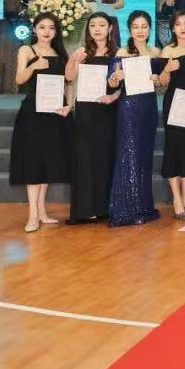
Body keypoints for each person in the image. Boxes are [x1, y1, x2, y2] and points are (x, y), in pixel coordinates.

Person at [9, 12, 72, 232]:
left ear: (56, 31)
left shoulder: (60, 52)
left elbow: (68, 83)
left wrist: (69, 104)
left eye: (51, 28)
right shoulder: (27, 50)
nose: (47, 31)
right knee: (33, 162)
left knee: (47, 162)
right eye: (42, 27)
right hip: (32, 114)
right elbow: (19, 79)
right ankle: (33, 215)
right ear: (34, 29)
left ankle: (43, 211)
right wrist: (34, 66)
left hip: (55, 113)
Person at [107, 10, 163, 227]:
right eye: (136, 27)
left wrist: (157, 79)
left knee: (144, 156)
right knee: (128, 155)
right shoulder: (123, 51)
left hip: (149, 106)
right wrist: (116, 76)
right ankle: (126, 210)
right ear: (130, 30)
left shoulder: (156, 52)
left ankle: (143, 207)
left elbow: (160, 82)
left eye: (144, 26)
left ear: (149, 29)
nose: (140, 31)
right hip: (129, 107)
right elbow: (112, 82)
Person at [64, 12, 119, 225]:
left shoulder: (118, 53)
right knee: (84, 158)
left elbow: (121, 86)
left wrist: (113, 93)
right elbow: (69, 77)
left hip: (107, 108)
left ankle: (102, 208)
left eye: (101, 25)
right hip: (86, 109)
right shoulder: (82, 52)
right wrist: (73, 60)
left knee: (104, 157)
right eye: (93, 25)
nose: (97, 29)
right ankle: (85, 210)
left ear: (110, 28)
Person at [158, 11, 185, 219]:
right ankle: (176, 199)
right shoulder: (168, 50)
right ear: (173, 28)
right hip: (174, 106)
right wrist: (167, 69)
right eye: (178, 24)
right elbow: (161, 83)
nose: (183, 27)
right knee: (174, 149)